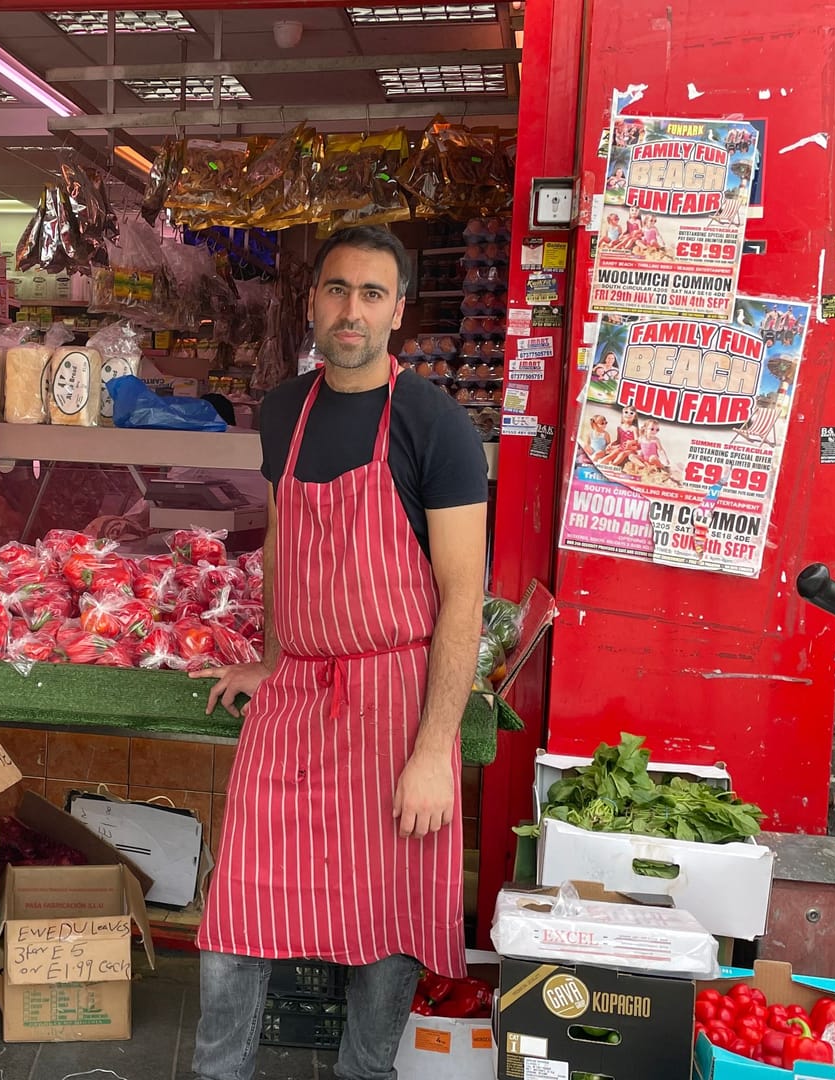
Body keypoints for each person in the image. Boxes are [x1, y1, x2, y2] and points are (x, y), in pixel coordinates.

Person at [189, 225, 489, 1080]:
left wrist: (435, 750)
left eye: (370, 294)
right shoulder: (284, 410)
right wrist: (272, 656)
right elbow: (286, 537)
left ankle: (366, 1073)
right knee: (239, 901)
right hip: (297, 694)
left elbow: (462, 595)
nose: (349, 309)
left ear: (397, 311)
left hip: (395, 694)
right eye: (335, 290)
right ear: (312, 303)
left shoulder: (436, 425)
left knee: (386, 916)